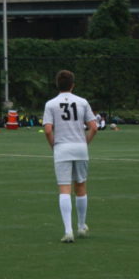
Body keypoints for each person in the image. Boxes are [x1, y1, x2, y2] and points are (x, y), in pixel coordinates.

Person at [43, 69, 98, 243]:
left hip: (62, 148)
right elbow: (94, 127)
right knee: (80, 186)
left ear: (57, 84)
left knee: (64, 189)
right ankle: (81, 226)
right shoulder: (82, 102)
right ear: (73, 85)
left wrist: (54, 146)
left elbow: (48, 130)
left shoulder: (51, 104)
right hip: (80, 148)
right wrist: (85, 142)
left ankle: (68, 231)